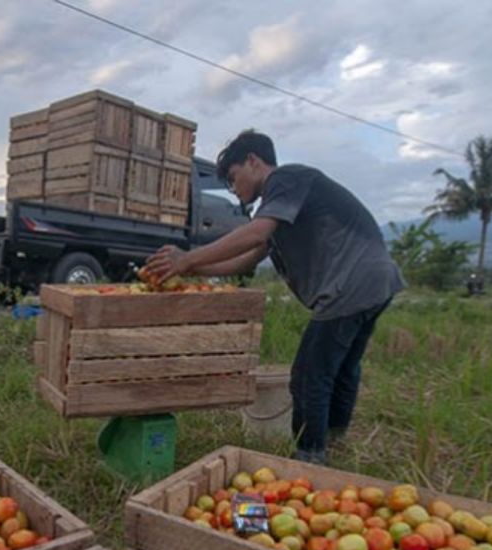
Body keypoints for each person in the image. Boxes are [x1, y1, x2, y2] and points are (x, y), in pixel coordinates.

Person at [143, 130, 405, 464]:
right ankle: (335, 445)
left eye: (234, 178)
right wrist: (191, 269)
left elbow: (256, 233)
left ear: (254, 161)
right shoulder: (281, 206)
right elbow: (250, 257)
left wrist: (188, 257)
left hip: (349, 284)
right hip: (376, 281)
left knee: (310, 375)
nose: (235, 190)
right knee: (341, 368)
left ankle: (309, 457)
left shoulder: (286, 178)